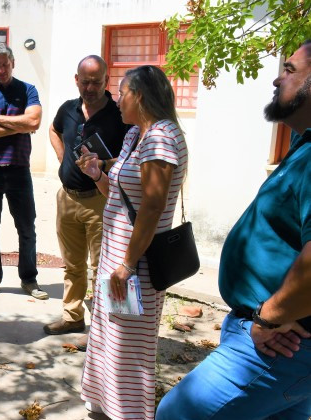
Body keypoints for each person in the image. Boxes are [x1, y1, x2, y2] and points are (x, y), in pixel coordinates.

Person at [156, 40, 311, 420]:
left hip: (280, 343)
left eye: (289, 70)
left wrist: (268, 316)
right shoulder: (303, 140)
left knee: (177, 414)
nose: (277, 79)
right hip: (270, 334)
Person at [76, 65, 189, 419]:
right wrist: (97, 176)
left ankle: (129, 413)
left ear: (138, 96)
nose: (117, 99)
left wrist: (126, 265)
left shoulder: (160, 138)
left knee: (128, 346)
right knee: (109, 335)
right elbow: (123, 199)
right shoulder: (135, 136)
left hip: (136, 264)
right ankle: (106, 404)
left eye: (121, 92)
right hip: (119, 257)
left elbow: (153, 207)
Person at [45, 55, 129, 337]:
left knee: (104, 267)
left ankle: (109, 332)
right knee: (72, 265)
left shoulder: (120, 115)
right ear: (76, 80)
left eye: (96, 82)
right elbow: (54, 130)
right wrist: (62, 157)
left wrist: (104, 165)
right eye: (85, 81)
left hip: (102, 199)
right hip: (67, 197)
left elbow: (131, 156)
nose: (90, 87)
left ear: (107, 81)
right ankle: (72, 317)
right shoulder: (68, 109)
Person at [0, 43, 47, 300]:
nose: (1, 69)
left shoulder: (28, 90)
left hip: (19, 170)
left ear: (13, 63)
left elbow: (34, 121)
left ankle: (29, 279)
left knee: (26, 227)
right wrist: (20, 126)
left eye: (6, 64)